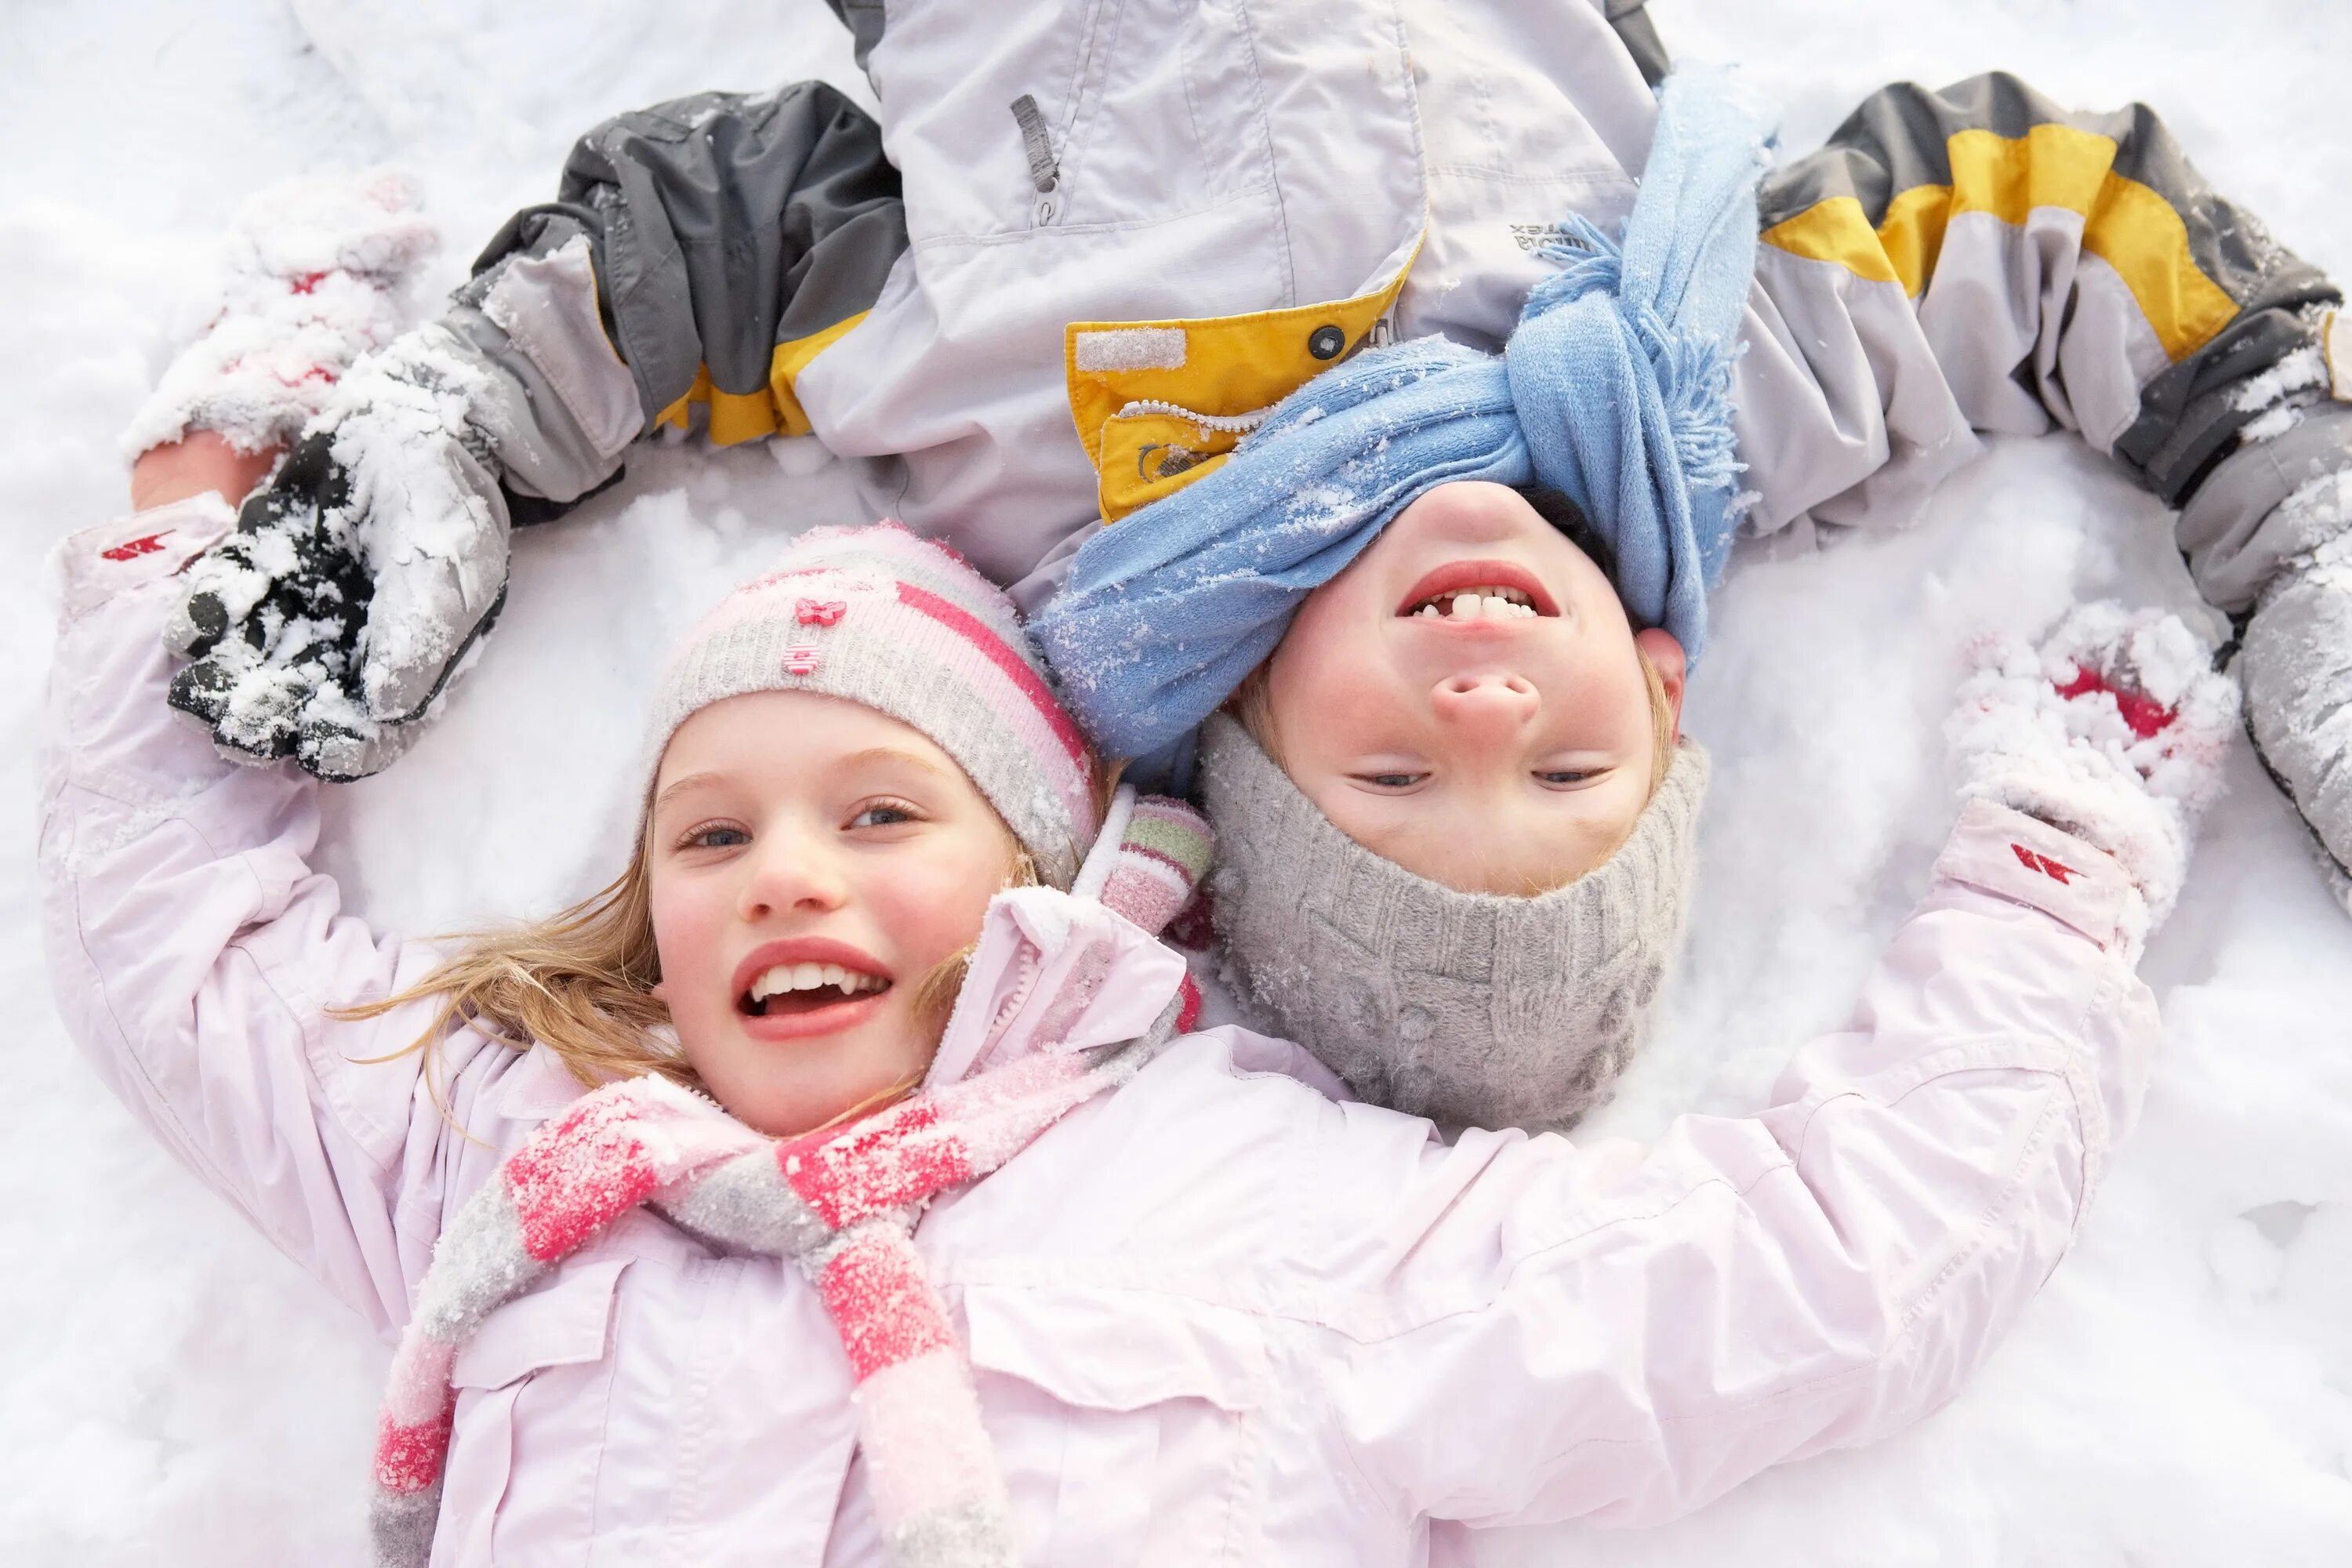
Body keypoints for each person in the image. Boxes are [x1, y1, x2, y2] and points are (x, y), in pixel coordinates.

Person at [47, 422, 2236, 1562]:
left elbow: (1810, 1282)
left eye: (882, 818)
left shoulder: (1261, 1206)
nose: (783, 874)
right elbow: (186, 966)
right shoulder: (516, 1167)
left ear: (1049, 880)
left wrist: (2051, 879)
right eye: (711, 839)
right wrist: (181, 550)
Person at [134, 5, 2352, 911]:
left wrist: (452, 425)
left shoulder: (1024, 475)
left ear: (1255, 740)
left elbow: (711, 242)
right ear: (1663, 701)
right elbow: (2078, 225)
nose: (1482, 710)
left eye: (1401, 783)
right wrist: (2315, 529)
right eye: (1561, 777)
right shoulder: (1718, 385)